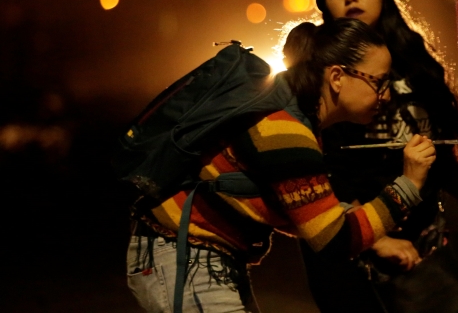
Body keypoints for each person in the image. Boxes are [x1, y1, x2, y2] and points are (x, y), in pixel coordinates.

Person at [126, 18, 437, 312]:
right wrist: (408, 185)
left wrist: (373, 236)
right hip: (185, 256)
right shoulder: (285, 131)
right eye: (379, 81)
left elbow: (309, 214)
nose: (386, 94)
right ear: (337, 77)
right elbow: (333, 241)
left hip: (197, 255)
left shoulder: (291, 114)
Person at [301, 0, 458, 313]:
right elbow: (315, 174)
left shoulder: (416, 61)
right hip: (357, 244)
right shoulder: (317, 73)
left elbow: (447, 147)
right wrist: (374, 239)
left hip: (431, 243)